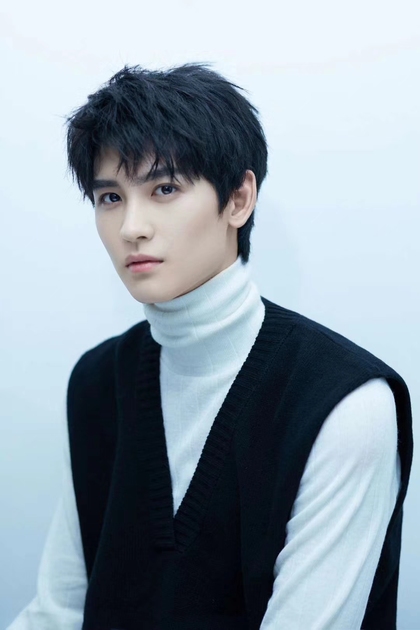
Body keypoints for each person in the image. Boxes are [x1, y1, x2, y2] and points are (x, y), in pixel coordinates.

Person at [7, 62, 413, 630]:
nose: (131, 227)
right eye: (110, 197)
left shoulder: (345, 404)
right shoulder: (98, 382)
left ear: (239, 199)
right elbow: (58, 612)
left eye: (165, 189)